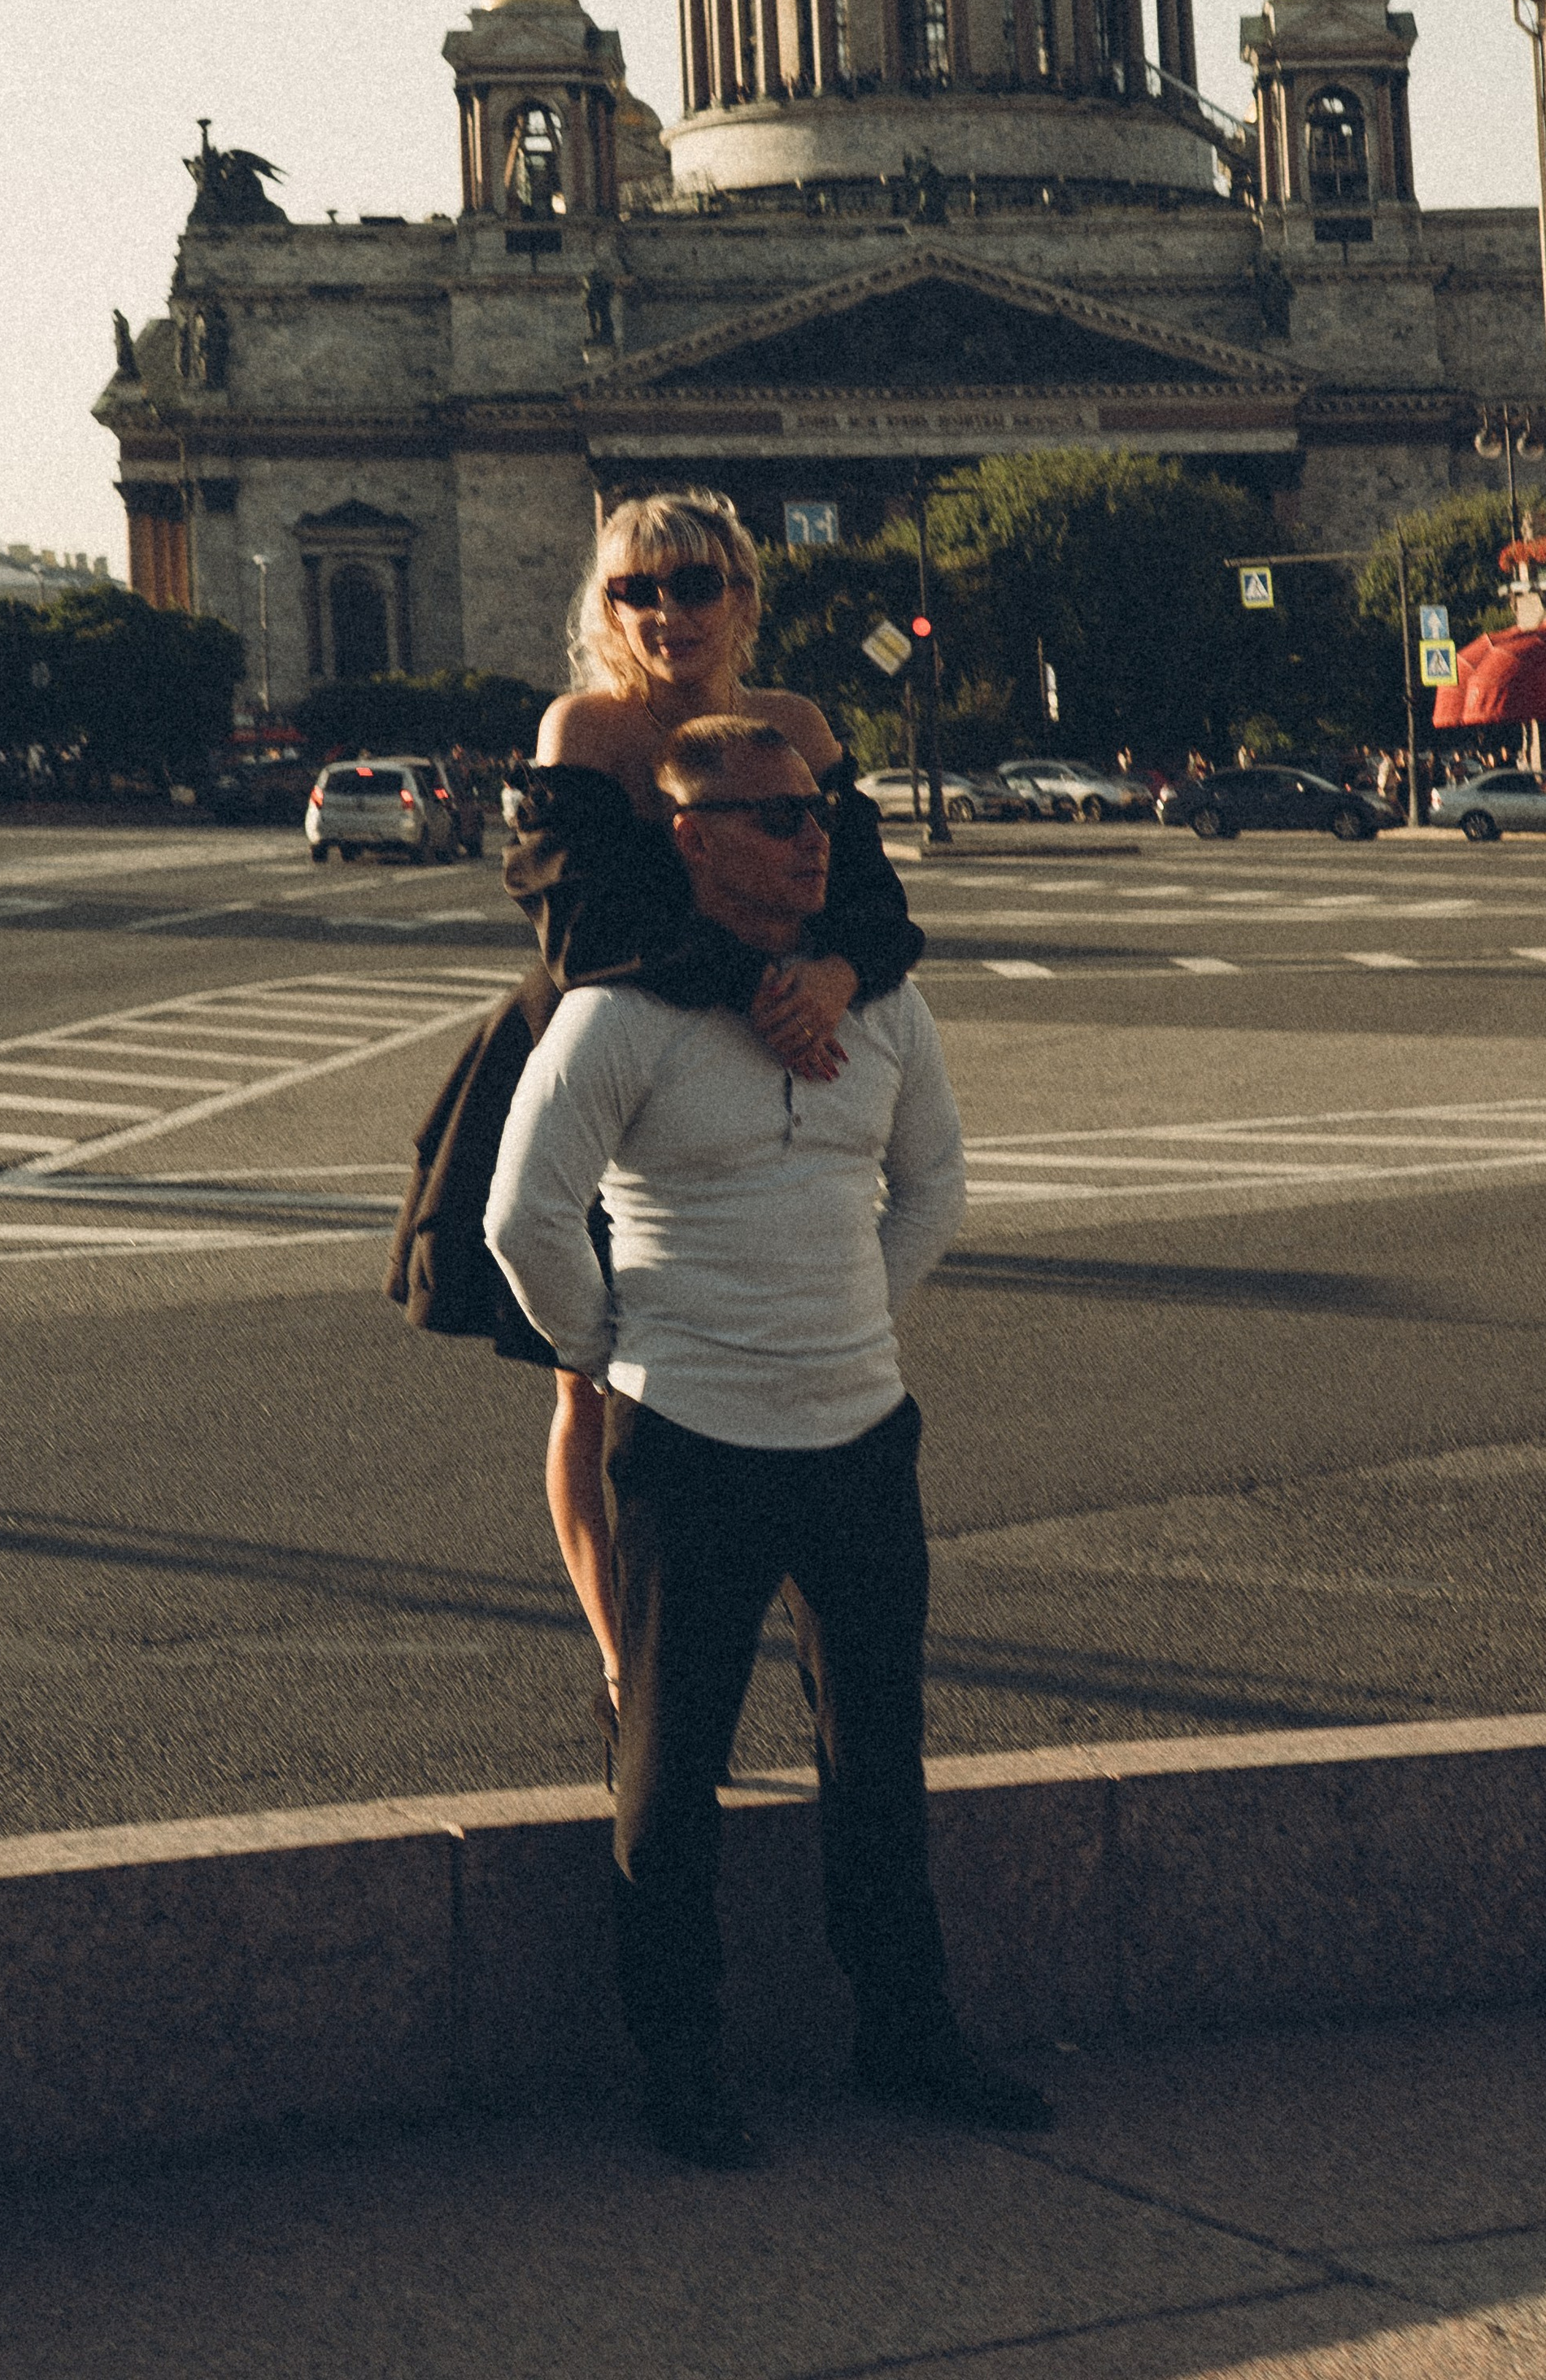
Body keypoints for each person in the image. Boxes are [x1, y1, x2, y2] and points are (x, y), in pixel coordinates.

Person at [486, 717, 1051, 2166]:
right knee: (674, 1770)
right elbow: (522, 1215)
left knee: (882, 1757)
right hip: (694, 1438)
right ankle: (681, 2062)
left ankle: (907, 2034)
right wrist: (615, 1353)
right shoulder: (620, 1015)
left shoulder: (884, 1007)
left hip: (864, 1429)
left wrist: (852, 1316)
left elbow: (934, 1189)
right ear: (687, 839)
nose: (815, 840)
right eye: (773, 819)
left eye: (817, 814)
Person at [385, 493, 922, 1762]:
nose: (667, 612)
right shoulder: (584, 727)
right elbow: (582, 929)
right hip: (598, 1058)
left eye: (693, 583)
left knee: (789, 1370)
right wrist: (765, 990)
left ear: (743, 592)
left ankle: (818, 1654)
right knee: (597, 1385)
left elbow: (878, 902)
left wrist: (837, 975)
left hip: (788, 1041)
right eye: (637, 589)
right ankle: (636, 1668)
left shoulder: (796, 729)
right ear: (604, 605)